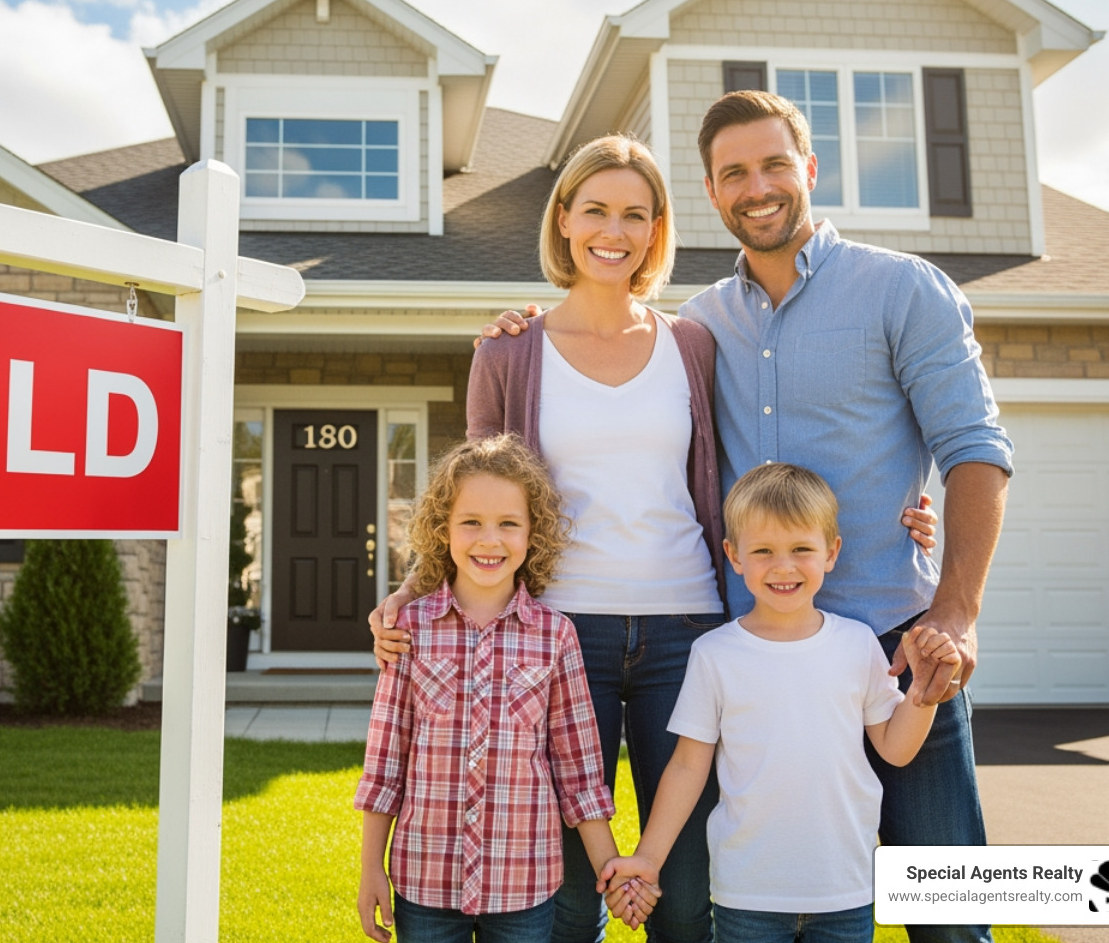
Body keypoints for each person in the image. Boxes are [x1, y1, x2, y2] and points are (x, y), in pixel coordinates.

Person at [371, 134, 938, 943]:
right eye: (596, 210)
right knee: (571, 892)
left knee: (684, 888)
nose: (615, 230)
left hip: (687, 628)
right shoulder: (509, 352)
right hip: (562, 632)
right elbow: (476, 498)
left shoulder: (693, 341)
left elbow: (770, 442)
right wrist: (415, 586)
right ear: (564, 220)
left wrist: (897, 507)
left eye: (635, 214)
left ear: (656, 229)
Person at [482, 91, 1012, 943]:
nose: (756, 187)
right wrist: (523, 329)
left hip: (893, 642)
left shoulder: (900, 288)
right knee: (763, 896)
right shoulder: (701, 326)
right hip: (754, 655)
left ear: (810, 169)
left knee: (948, 912)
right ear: (711, 192)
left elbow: (975, 448)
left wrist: (955, 610)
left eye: (774, 165)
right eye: (734, 173)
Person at [596, 463, 960, 943]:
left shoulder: (858, 644)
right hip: (748, 894)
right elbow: (687, 766)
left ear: (831, 553)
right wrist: (648, 858)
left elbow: (894, 748)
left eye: (801, 550)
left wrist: (923, 695)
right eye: (763, 551)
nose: (783, 566)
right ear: (734, 555)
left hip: (844, 890)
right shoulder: (714, 654)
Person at [355, 435, 636, 942]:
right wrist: (370, 867)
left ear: (533, 533)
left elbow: (578, 774)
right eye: (471, 522)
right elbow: (385, 763)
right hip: (425, 879)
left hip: (523, 885)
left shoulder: (555, 636)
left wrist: (610, 870)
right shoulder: (410, 630)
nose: (490, 540)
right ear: (442, 530)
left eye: (508, 523)